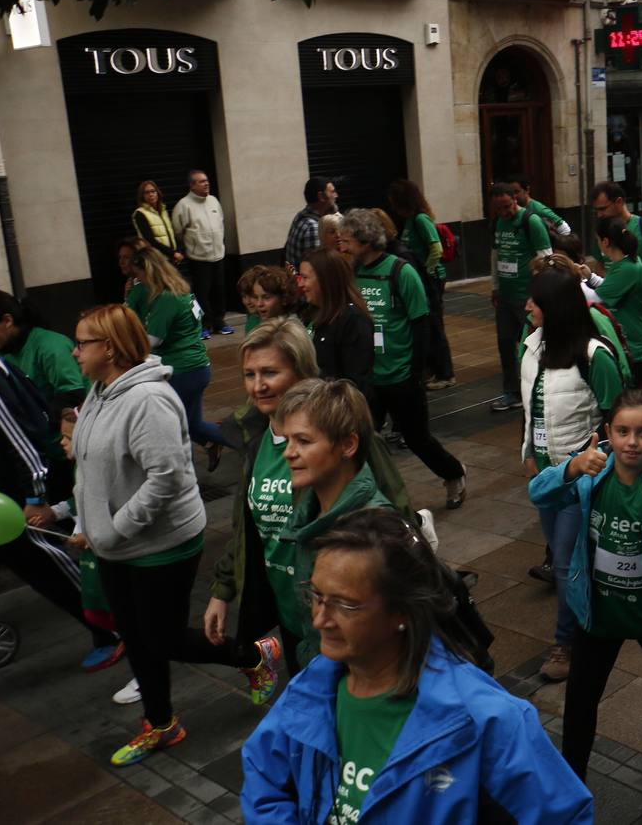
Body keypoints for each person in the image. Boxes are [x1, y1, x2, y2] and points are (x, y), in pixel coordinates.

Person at [241, 507, 592, 823]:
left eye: (345, 605)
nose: (320, 620)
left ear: (402, 612)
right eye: (316, 595)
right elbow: (264, 777)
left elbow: (565, 816)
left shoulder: (486, 721)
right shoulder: (313, 688)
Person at [530, 389, 642, 778]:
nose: (631, 442)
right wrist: (572, 467)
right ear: (608, 431)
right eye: (623, 431)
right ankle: (571, 786)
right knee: (579, 703)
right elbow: (538, 493)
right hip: (599, 613)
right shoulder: (594, 473)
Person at [71, 304, 208, 766]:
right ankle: (162, 723)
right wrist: (82, 524)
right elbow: (87, 468)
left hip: (162, 545)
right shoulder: (98, 391)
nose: (74, 352)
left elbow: (166, 476)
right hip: (117, 547)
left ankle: (253, 654)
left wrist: (113, 528)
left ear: (108, 348)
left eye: (82, 342)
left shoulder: (147, 399)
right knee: (135, 634)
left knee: (163, 638)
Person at [178, 321, 317, 700]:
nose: (259, 385)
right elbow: (248, 526)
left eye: (271, 372)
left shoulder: (334, 433)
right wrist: (223, 590)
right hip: (290, 612)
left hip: (337, 613)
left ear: (301, 371)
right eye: (250, 374)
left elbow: (386, 507)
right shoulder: (256, 441)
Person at [0, 331, 122, 674]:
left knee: (55, 562)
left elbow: (19, 444)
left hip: (21, 495)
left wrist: (36, 498)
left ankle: (110, 627)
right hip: (13, 494)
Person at [522, 267, 624, 682]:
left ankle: (568, 642)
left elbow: (619, 414)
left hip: (581, 479)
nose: (526, 306)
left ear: (556, 308)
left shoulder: (594, 354)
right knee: (568, 557)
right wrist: (527, 449)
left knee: (563, 561)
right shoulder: (529, 347)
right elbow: (530, 404)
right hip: (547, 478)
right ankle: (590, 612)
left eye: (535, 301)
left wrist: (592, 457)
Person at [338, 209, 467, 509]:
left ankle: (454, 473)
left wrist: (415, 372)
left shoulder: (401, 271)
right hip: (368, 377)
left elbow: (422, 324)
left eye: (347, 240)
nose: (342, 246)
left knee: (417, 438)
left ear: (365, 240)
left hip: (400, 375)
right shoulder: (353, 272)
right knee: (364, 440)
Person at [271, 378, 399, 665]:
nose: (289, 453)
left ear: (348, 445)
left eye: (303, 441)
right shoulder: (311, 512)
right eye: (288, 440)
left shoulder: (373, 532)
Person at [128, 246, 230, 458]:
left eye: (138, 276)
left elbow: (153, 340)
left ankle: (188, 480)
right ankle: (245, 443)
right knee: (193, 426)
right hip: (196, 368)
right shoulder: (179, 289)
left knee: (176, 431)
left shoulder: (167, 298)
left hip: (182, 371)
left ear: (148, 273)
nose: (137, 280)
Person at [489, 182, 553, 411]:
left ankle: (538, 389)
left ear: (515, 199)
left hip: (527, 296)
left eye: (508, 205)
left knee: (532, 345)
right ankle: (511, 392)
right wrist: (495, 286)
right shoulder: (498, 223)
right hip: (505, 296)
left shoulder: (531, 221)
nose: (506, 212)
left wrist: (541, 294)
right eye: (500, 209)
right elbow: (496, 256)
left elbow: (547, 258)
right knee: (505, 344)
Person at [387, 178, 455, 391]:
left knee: (435, 326)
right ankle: (433, 369)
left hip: (430, 280)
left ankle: (446, 374)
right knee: (427, 325)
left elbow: (436, 249)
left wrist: (425, 271)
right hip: (422, 278)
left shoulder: (420, 220)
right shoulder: (408, 221)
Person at [585, 217, 642, 392]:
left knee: (638, 408)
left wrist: (572, 281)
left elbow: (594, 299)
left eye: (597, 240)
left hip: (639, 350)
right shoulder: (626, 262)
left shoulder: (627, 268)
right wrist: (591, 278)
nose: (597, 244)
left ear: (605, 241)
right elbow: (612, 287)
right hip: (637, 347)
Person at [298, 248, 374, 395]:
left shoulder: (353, 321)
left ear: (325, 279)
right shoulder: (311, 313)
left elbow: (354, 384)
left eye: (305, 277)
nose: (300, 285)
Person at [0, 292, 87, 411]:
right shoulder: (5, 350)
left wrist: (39, 419)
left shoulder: (51, 346)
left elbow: (74, 395)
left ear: (7, 321)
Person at [589, 181, 642, 307]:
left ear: (619, 202)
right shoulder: (601, 233)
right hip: (613, 307)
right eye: (596, 211)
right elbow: (600, 265)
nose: (599, 215)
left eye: (603, 209)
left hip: (639, 309)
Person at [171, 169, 231, 337]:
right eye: (201, 181)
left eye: (207, 181)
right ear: (191, 185)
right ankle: (203, 325)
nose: (206, 184)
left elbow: (221, 223)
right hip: (198, 258)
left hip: (218, 255)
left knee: (219, 291)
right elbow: (177, 231)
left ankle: (220, 322)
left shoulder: (213, 201)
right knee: (200, 295)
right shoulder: (183, 205)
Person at [283, 176, 338, 271]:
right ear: (321, 196)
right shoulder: (314, 227)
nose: (336, 195)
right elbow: (317, 269)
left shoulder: (300, 215)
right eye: (332, 192)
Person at [132, 180, 182, 264]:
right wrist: (172, 253)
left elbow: (171, 234)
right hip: (156, 260)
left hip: (171, 258)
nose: (151, 194)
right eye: (146, 192)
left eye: (153, 191)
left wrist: (176, 251)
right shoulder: (140, 214)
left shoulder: (163, 211)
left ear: (157, 193)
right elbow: (150, 240)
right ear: (142, 196)